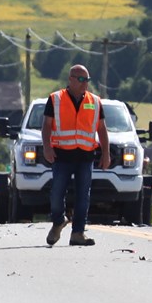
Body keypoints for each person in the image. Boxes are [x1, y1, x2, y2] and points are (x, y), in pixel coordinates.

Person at [42, 64, 111, 246]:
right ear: (70, 79)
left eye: (87, 80)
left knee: (83, 196)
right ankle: (58, 221)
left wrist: (106, 154)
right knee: (56, 194)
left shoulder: (95, 101)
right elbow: (47, 125)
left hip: (85, 157)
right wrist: (47, 148)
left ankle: (78, 233)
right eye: (81, 79)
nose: (84, 83)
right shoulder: (55, 99)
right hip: (62, 156)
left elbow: (102, 129)